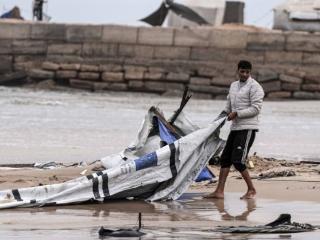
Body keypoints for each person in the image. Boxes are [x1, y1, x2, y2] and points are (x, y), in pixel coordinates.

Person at [206, 60, 264, 199]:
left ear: (250, 72)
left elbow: (256, 109)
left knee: (238, 161)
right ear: (237, 71)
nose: (244, 74)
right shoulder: (233, 86)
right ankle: (219, 191)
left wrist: (237, 113)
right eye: (242, 71)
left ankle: (251, 190)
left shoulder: (255, 87)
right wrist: (215, 123)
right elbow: (227, 108)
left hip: (248, 128)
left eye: (247, 72)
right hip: (235, 128)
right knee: (225, 159)